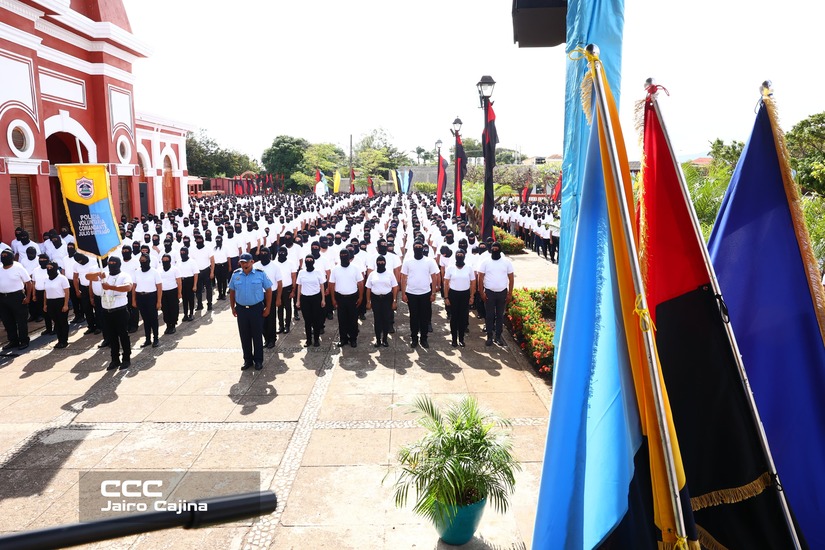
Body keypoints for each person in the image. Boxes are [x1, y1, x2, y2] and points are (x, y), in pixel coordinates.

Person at [228, 253, 273, 371]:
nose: (244, 265)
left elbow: (268, 290)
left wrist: (268, 308)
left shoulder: (260, 274)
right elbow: (232, 291)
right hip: (242, 309)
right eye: (242, 262)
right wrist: (232, 307)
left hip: (256, 309)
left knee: (257, 336)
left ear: (252, 262)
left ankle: (258, 360)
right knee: (244, 336)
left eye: (246, 262)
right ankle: (247, 359)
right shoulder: (236, 275)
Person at [400, 240, 439, 349]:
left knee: (424, 317)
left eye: (420, 246)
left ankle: (424, 338)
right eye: (416, 246)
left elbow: (434, 276)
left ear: (423, 248)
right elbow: (403, 278)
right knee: (413, 317)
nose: (418, 248)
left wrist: (433, 293)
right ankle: (414, 338)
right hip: (411, 293)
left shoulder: (429, 261)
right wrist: (403, 293)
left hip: (425, 293)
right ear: (413, 248)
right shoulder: (408, 261)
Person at [478, 242, 514, 347]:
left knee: (500, 316)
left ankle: (498, 337)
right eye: (493, 248)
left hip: (502, 293)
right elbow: (480, 277)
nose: (494, 250)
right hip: (489, 293)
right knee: (489, 316)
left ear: (500, 249)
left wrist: (510, 293)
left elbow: (511, 278)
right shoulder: (485, 262)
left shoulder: (506, 262)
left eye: (496, 248)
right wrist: (481, 292)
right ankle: (489, 336)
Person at [99, 256, 133, 369]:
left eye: (114, 262)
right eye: (110, 263)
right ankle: (115, 359)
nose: (111, 264)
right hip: (107, 311)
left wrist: (111, 287)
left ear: (118, 264)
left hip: (120, 311)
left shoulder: (124, 275)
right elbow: (87, 276)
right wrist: (97, 275)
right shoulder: (105, 276)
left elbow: (128, 287)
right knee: (112, 336)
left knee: (123, 335)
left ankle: (126, 358)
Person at [329, 248, 364, 348]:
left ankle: (353, 339)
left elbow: (360, 283)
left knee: (353, 319)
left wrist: (361, 297)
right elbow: (331, 284)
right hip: (340, 298)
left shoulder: (355, 268)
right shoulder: (335, 269)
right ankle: (343, 338)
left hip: (352, 297)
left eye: (345, 255)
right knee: (342, 319)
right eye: (342, 255)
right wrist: (333, 299)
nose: (343, 257)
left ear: (349, 257)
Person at [0, 249, 32, 350]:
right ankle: (13, 341)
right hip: (2, 298)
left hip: (17, 297)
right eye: (2, 256)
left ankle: (24, 341)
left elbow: (28, 283)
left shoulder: (18, 267)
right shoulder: (0, 268)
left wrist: (28, 297)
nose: (3, 257)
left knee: (21, 321)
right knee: (7, 321)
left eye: (6, 256)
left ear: (11, 257)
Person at [444, 250, 475, 347]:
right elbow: (446, 283)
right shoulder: (450, 268)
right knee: (454, 317)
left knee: (463, 317)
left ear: (464, 256)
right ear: (455, 256)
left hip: (465, 294)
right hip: (453, 294)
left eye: (461, 255)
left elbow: (473, 282)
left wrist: (472, 296)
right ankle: (454, 339)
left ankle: (461, 339)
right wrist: (446, 297)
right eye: (458, 255)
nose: (460, 256)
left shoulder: (469, 268)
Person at [253, 248, 283, 349]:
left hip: (271, 294)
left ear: (269, 255)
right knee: (261, 318)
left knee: (271, 318)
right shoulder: (256, 266)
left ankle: (272, 339)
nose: (264, 255)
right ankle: (265, 338)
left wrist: (278, 298)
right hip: (259, 295)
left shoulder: (275, 266)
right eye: (262, 253)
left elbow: (279, 283)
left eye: (266, 253)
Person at [365, 255, 397, 347]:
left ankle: (385, 339)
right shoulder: (372, 274)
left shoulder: (390, 274)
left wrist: (394, 301)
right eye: (379, 261)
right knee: (377, 319)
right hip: (376, 299)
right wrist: (368, 301)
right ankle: (378, 340)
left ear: (385, 263)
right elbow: (368, 288)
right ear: (376, 263)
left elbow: (395, 287)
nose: (380, 263)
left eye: (382, 261)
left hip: (387, 299)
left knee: (386, 319)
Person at [295, 254, 326, 347]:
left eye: (310, 260)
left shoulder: (318, 272)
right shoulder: (301, 272)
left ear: (313, 261)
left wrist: (323, 299)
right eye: (307, 260)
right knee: (307, 321)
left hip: (316, 298)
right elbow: (299, 286)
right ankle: (308, 340)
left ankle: (316, 339)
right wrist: (298, 300)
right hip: (305, 299)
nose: (309, 261)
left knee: (316, 320)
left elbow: (322, 286)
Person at [132, 253, 162, 348]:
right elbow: (134, 286)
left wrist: (159, 301)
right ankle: (148, 339)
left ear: (148, 261)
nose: (142, 262)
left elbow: (159, 287)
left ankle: (156, 339)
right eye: (141, 261)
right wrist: (133, 300)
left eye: (144, 261)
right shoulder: (137, 272)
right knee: (145, 319)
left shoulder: (154, 272)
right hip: (140, 297)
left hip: (151, 297)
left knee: (153, 319)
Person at [42, 261, 70, 348]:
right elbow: (46, 292)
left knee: (62, 322)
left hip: (60, 301)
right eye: (48, 268)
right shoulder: (46, 279)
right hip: (50, 302)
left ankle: (64, 340)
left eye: (51, 268)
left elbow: (67, 292)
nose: (49, 270)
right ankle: (59, 340)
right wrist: (45, 304)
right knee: (56, 322)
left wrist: (65, 305)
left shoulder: (62, 278)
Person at [159, 253, 182, 334]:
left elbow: (179, 282)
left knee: (173, 308)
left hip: (172, 291)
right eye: (163, 260)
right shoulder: (159, 270)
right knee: (165, 309)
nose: (165, 261)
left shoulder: (175, 269)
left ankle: (173, 325)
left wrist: (179, 293)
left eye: (167, 260)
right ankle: (168, 324)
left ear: (170, 261)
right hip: (163, 292)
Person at [276, 246, 296, 334]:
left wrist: (293, 290)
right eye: (280, 252)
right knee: (279, 308)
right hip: (277, 288)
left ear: (286, 254)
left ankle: (287, 325)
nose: (281, 254)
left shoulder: (291, 263)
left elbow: (294, 277)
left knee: (288, 307)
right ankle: (280, 325)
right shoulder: (274, 263)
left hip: (287, 288)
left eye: (283, 252)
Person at [177, 247, 198, 322]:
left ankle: (191, 313)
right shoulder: (178, 262)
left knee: (190, 299)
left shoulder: (192, 262)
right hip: (182, 282)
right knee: (184, 299)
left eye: (184, 252)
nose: (182, 254)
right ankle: (185, 314)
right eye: (181, 252)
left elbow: (196, 274)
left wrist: (195, 285)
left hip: (190, 281)